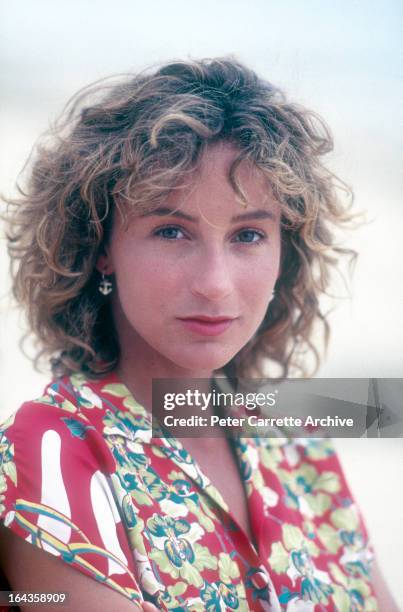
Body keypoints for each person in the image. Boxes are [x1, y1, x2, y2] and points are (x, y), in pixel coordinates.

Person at [0, 58, 397, 611]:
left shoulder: (297, 435)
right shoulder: (51, 446)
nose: (215, 284)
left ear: (286, 252)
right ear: (102, 248)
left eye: (249, 235)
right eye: (171, 230)